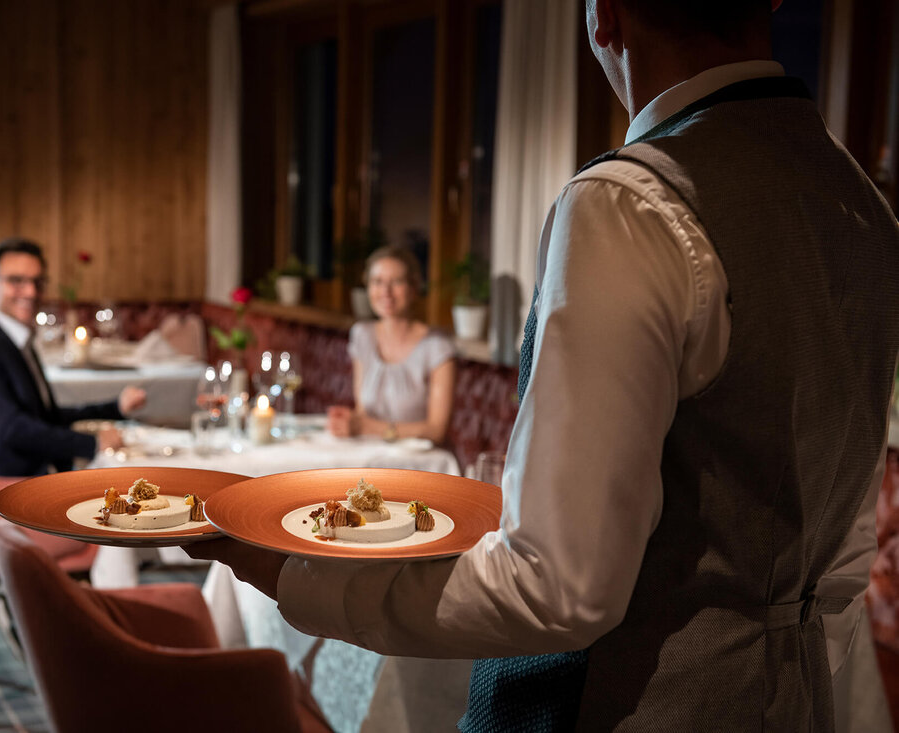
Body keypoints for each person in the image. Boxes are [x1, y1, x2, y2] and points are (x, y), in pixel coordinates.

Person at [189, 0, 899, 729]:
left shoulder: (630, 204)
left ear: (605, 18)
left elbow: (557, 588)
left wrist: (298, 578)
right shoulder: (863, 205)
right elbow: (845, 561)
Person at [0, 237, 146, 476]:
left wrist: (115, 408)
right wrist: (92, 443)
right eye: (16, 281)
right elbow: (12, 430)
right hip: (8, 485)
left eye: (37, 282)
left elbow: (45, 417)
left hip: (37, 472)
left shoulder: (15, 341)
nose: (31, 292)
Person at [326, 245, 456, 445]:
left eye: (396, 282)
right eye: (377, 282)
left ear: (413, 288)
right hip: (374, 453)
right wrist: (348, 421)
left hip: (422, 460)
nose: (386, 292)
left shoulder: (437, 346)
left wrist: (367, 427)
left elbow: (436, 430)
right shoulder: (362, 335)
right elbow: (363, 412)